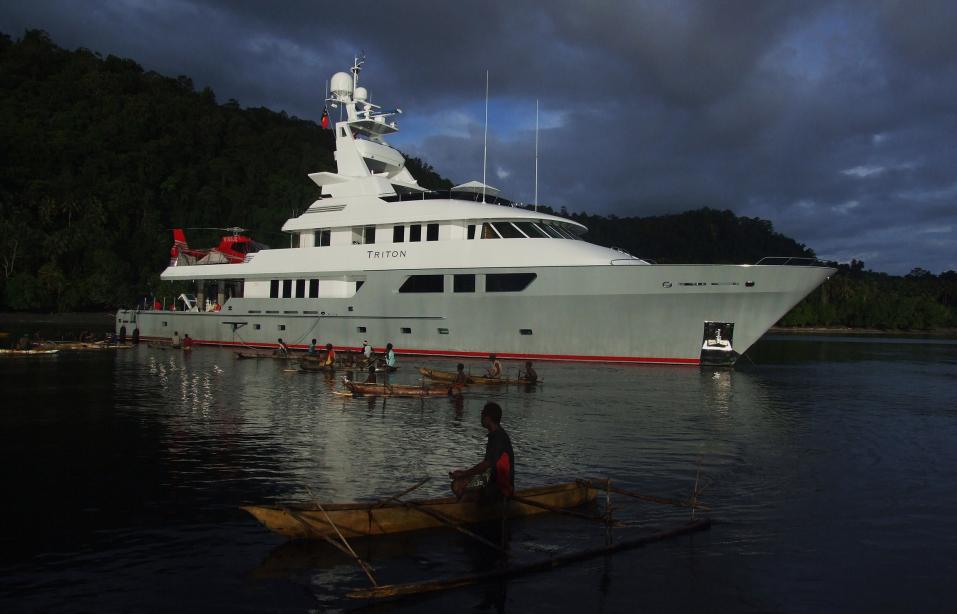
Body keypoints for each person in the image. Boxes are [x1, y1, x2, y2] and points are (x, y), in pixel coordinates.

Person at [449, 402, 514, 502]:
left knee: (461, 487)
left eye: (482, 414)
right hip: (490, 480)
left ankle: (474, 507)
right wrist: (466, 475)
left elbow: (487, 464)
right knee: (458, 484)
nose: (481, 417)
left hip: (501, 487)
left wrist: (464, 474)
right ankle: (471, 502)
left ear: (488, 418)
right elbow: (488, 469)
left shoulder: (498, 438)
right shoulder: (494, 435)